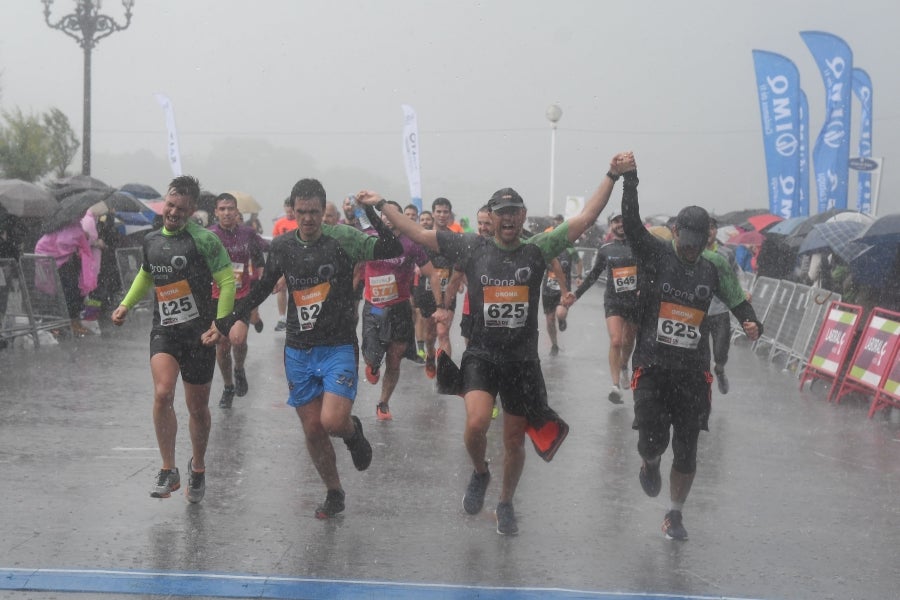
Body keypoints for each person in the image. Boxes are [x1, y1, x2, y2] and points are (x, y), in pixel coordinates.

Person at [363, 149, 634, 535]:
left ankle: (506, 502)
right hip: (482, 355)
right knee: (475, 424)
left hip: (521, 360)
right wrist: (383, 207)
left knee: (513, 441)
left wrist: (611, 174)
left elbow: (587, 217)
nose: (508, 219)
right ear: (491, 216)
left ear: (523, 217)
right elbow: (419, 233)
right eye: (501, 212)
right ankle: (479, 472)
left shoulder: (537, 249)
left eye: (515, 212)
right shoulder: (472, 247)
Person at [231, 178, 403, 519]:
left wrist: (370, 210)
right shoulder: (281, 246)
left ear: (324, 212)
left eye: (314, 212)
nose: (307, 219)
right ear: (292, 211)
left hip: (337, 344)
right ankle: (334, 491)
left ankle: (352, 433)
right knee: (312, 429)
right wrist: (232, 319)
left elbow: (390, 250)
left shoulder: (344, 239)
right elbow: (265, 286)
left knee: (333, 421)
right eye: (301, 212)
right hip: (298, 349)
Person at [618, 161, 762, 541]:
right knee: (653, 440)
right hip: (650, 364)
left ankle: (675, 514)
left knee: (686, 450)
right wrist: (630, 179)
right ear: (676, 230)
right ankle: (649, 463)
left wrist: (751, 321)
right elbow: (631, 224)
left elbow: (735, 299)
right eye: (687, 239)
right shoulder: (655, 253)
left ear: (708, 238)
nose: (692, 248)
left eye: (700, 242)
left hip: (692, 371)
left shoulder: (714, 267)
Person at [111, 175, 236, 503]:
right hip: (165, 331)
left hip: (199, 336)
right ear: (163, 203)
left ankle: (197, 467)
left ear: (193, 209)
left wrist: (220, 325)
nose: (173, 212)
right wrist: (126, 303)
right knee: (163, 393)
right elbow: (146, 274)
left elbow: (226, 281)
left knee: (198, 408)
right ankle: (169, 469)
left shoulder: (205, 241)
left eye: (181, 208)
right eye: (170, 204)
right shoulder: (151, 240)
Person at [359, 200, 433, 420]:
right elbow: (355, 261)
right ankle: (372, 365)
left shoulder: (410, 243)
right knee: (373, 357)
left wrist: (436, 301)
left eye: (390, 214)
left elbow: (430, 271)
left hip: (400, 306)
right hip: (374, 306)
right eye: (382, 215)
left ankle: (383, 403)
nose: (386, 218)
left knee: (395, 357)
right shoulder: (369, 236)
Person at [209, 193, 271, 408]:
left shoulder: (247, 233)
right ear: (216, 212)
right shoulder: (210, 235)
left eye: (230, 209)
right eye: (222, 209)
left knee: (238, 340)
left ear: (237, 212)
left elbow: (261, 252)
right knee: (222, 346)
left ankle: (239, 368)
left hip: (242, 296)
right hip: (216, 299)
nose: (227, 213)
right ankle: (228, 386)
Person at [571, 212, 639, 403]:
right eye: (616, 221)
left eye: (623, 220)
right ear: (611, 225)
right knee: (616, 340)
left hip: (634, 302)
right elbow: (593, 275)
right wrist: (576, 295)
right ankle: (615, 385)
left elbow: (649, 271)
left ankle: (624, 364)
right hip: (613, 301)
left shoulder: (638, 246)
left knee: (628, 341)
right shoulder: (605, 249)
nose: (620, 224)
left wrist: (644, 287)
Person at [35, 210, 104, 337]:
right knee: (72, 296)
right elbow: (81, 247)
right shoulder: (78, 227)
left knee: (63, 295)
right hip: (69, 269)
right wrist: (89, 240)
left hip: (58, 266)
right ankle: (74, 323)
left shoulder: (57, 227)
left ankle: (64, 325)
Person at [414, 197, 458, 377]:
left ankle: (446, 371)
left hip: (447, 292)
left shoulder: (455, 239)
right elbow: (414, 258)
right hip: (426, 292)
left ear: (450, 214)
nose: (442, 215)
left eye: (445, 212)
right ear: (433, 214)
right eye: (438, 211)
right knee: (431, 335)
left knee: (443, 332)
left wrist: (458, 281)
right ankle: (431, 355)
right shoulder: (423, 238)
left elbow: (459, 264)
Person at [704, 218, 740, 395]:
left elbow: (736, 275)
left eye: (711, 228)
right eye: (705, 228)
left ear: (716, 231)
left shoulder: (726, 253)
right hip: (698, 312)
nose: (708, 231)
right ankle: (700, 390)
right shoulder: (692, 252)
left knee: (720, 353)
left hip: (720, 310)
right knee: (699, 355)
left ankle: (719, 370)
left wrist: (743, 292)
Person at [541, 247, 581, 356]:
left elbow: (578, 261)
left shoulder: (569, 249)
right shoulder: (547, 250)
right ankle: (554, 345)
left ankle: (561, 320)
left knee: (560, 313)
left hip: (563, 290)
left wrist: (579, 276)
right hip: (548, 290)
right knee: (549, 320)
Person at [272, 197, 298, 332]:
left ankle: (296, 316)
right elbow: (275, 242)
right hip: (282, 260)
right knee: (281, 288)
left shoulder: (300, 222)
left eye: (291, 210)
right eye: (286, 209)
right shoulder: (279, 223)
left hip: (297, 260)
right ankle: (282, 317)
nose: (289, 213)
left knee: (296, 288)